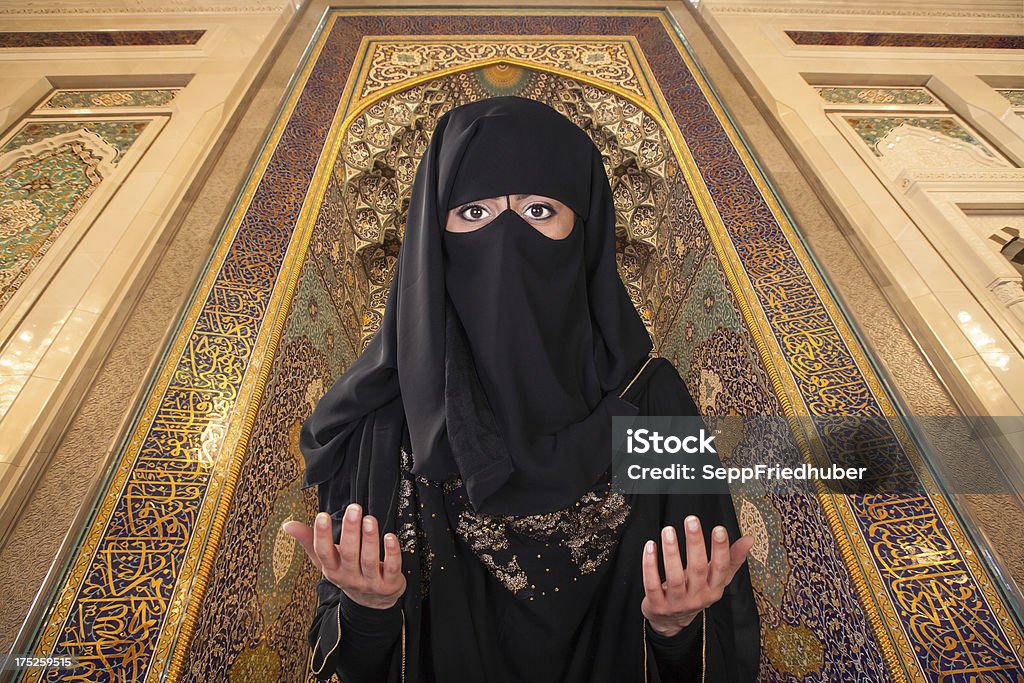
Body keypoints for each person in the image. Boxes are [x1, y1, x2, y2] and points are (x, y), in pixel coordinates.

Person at [282, 96, 761, 682]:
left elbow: (716, 649)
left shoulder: (652, 404)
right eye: (474, 214)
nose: (507, 238)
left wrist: (673, 631)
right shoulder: (385, 422)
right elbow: (345, 663)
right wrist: (371, 612)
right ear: (433, 240)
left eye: (538, 210)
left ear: (584, 232)